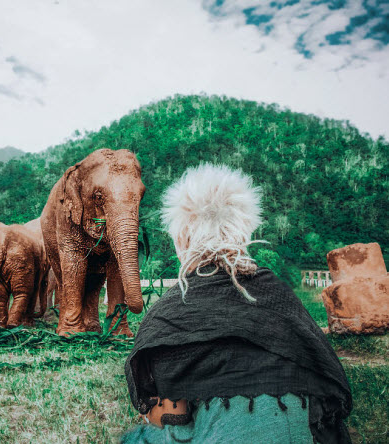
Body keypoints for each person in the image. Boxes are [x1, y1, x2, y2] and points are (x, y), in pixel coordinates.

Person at [123, 164, 352, 444]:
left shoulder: (168, 314)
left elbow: (168, 417)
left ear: (181, 239)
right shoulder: (280, 296)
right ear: (244, 233)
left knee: (137, 438)